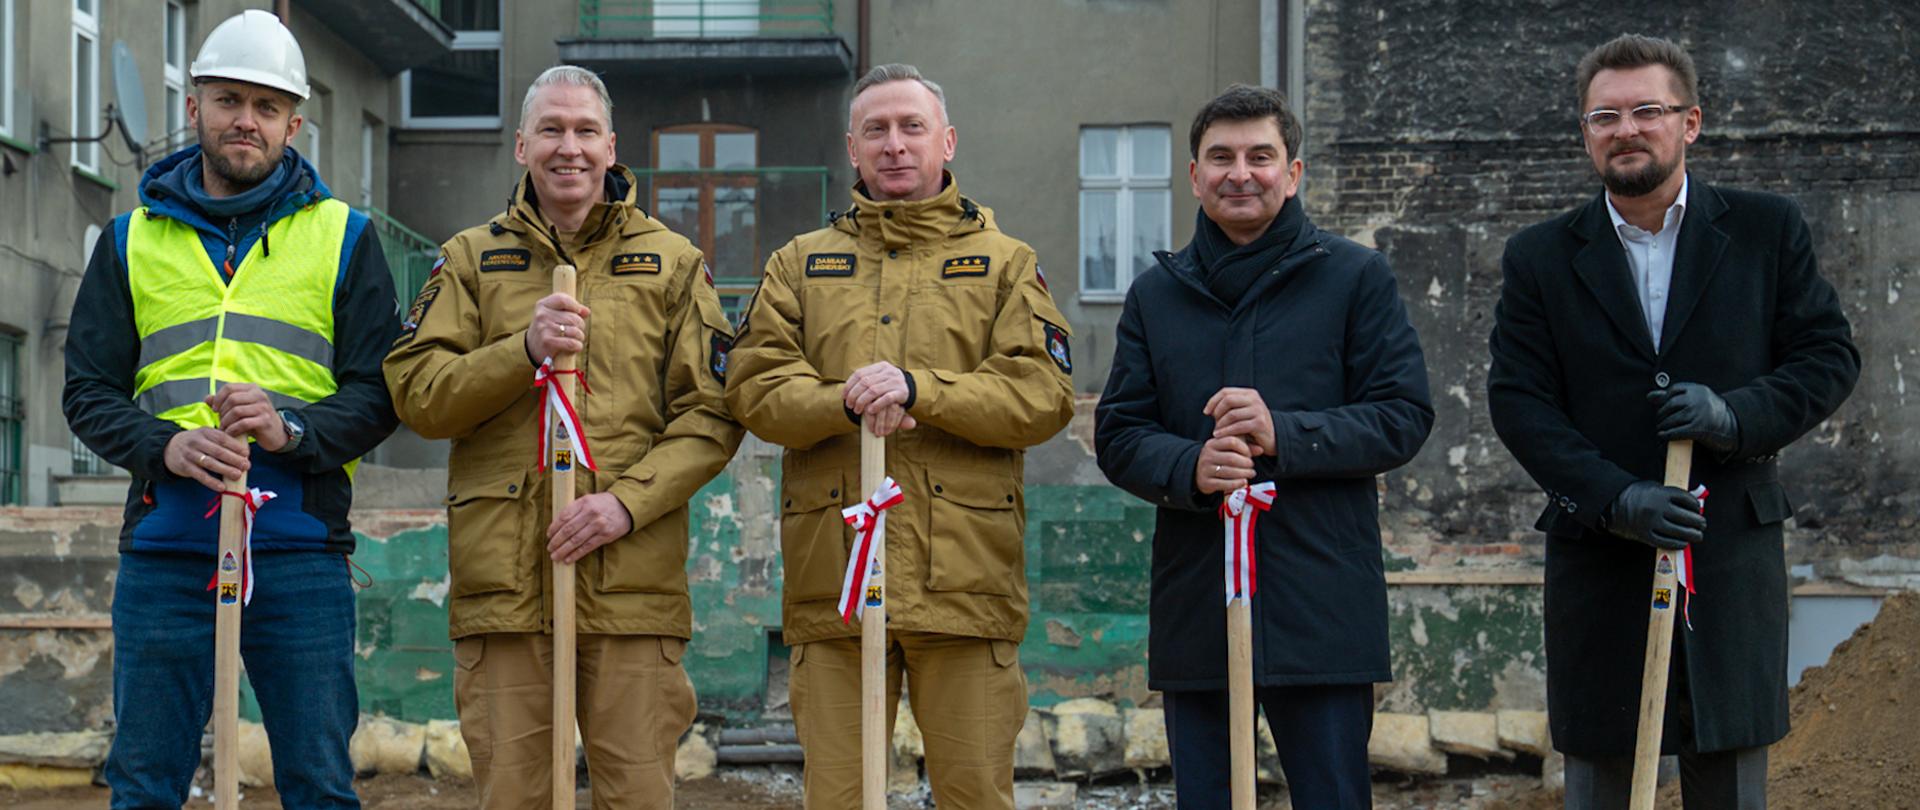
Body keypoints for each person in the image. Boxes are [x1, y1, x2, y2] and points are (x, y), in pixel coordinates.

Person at [1486, 34, 1860, 810]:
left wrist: (1734, 415)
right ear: (1585, 134)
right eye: (1605, 116)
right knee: (1603, 779)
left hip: (1728, 559)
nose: (1626, 129)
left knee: (1728, 777)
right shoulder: (1541, 256)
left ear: (1690, 122)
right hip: (1601, 559)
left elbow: (1827, 358)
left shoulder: (1765, 230)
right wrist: (1615, 498)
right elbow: (1520, 401)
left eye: (1647, 111)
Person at [61, 10, 400, 808]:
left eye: (267, 106)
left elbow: (382, 393)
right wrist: (165, 447)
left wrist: (294, 429)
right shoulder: (128, 241)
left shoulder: (346, 239)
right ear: (196, 106)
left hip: (301, 552)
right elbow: (87, 391)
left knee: (318, 785)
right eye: (228, 100)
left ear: (294, 123)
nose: (246, 120)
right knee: (144, 786)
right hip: (166, 550)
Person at [382, 66, 742, 809]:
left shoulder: (673, 265)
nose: (567, 147)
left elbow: (713, 414)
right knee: (513, 799)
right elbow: (417, 393)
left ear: (612, 147)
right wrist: (520, 351)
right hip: (506, 590)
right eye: (550, 129)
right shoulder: (469, 260)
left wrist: (625, 506)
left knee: (638, 797)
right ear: (521, 145)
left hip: (632, 586)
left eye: (584, 131)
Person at [724, 63, 1075, 808]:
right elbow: (752, 387)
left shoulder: (1006, 265)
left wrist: (924, 391)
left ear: (946, 141)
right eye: (875, 130)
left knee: (974, 792)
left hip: (966, 583)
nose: (894, 145)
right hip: (836, 584)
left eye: (912, 127)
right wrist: (843, 402)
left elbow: (1043, 395)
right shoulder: (798, 265)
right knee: (841, 797)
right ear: (851, 148)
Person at [1094, 84, 1433, 808]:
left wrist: (1287, 432)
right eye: (1220, 157)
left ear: (1294, 171)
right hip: (1199, 602)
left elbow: (1402, 416)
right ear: (1194, 174)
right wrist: (1190, 466)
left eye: (1260, 156)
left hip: (1322, 602)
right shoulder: (1156, 295)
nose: (1239, 173)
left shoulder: (1354, 278)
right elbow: (1120, 434)